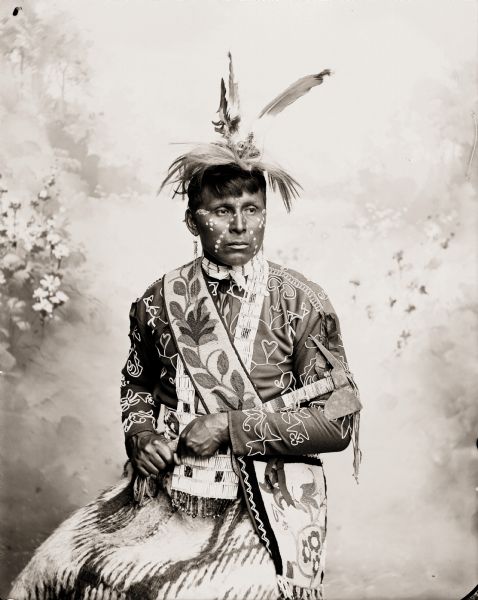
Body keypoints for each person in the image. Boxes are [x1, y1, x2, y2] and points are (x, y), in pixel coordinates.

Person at [10, 56, 361, 600]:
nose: (240, 226)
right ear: (192, 219)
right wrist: (140, 435)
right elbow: (137, 385)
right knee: (57, 566)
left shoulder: (301, 301)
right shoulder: (157, 301)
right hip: (164, 497)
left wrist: (230, 427)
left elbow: (337, 424)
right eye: (222, 210)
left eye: (252, 209)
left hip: (267, 508)